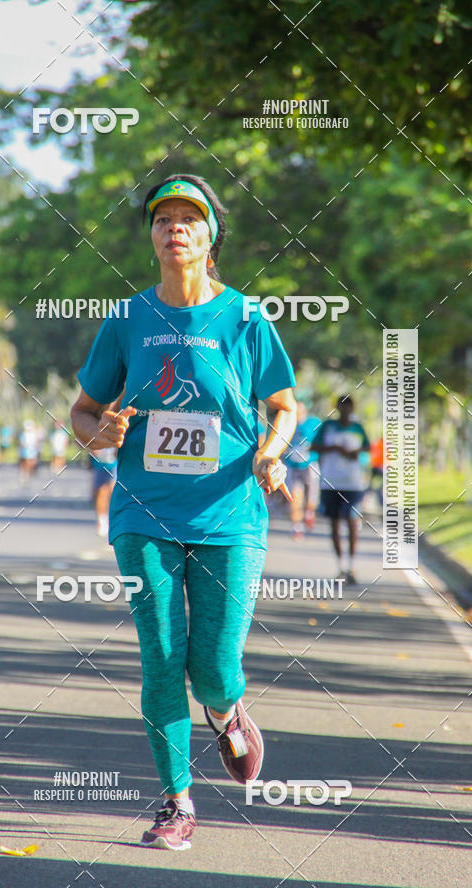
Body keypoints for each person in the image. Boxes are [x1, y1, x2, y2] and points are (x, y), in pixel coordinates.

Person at [71, 174, 297, 851]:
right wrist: (97, 433)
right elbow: (84, 410)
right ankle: (177, 802)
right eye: (163, 218)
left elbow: (284, 407)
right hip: (143, 513)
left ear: (210, 238)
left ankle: (226, 711)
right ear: (151, 238)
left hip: (230, 512)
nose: (175, 227)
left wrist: (271, 453)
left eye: (189, 219)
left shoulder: (246, 319)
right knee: (162, 656)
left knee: (215, 666)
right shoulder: (128, 319)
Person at [311, 395, 370, 584]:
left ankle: (351, 565)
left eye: (348, 407)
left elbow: (367, 448)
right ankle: (341, 566)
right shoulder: (328, 426)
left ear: (352, 408)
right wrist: (334, 448)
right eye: (342, 406)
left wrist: (356, 453)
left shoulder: (357, 428)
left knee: (352, 521)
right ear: (337, 407)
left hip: (353, 483)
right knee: (334, 524)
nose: (345, 410)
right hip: (330, 482)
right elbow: (314, 447)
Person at [283, 401, 321, 537]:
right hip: (292, 466)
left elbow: (322, 441)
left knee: (311, 500)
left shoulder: (314, 423)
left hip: (310, 465)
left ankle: (310, 512)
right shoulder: (287, 423)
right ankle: (297, 527)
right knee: (295, 496)